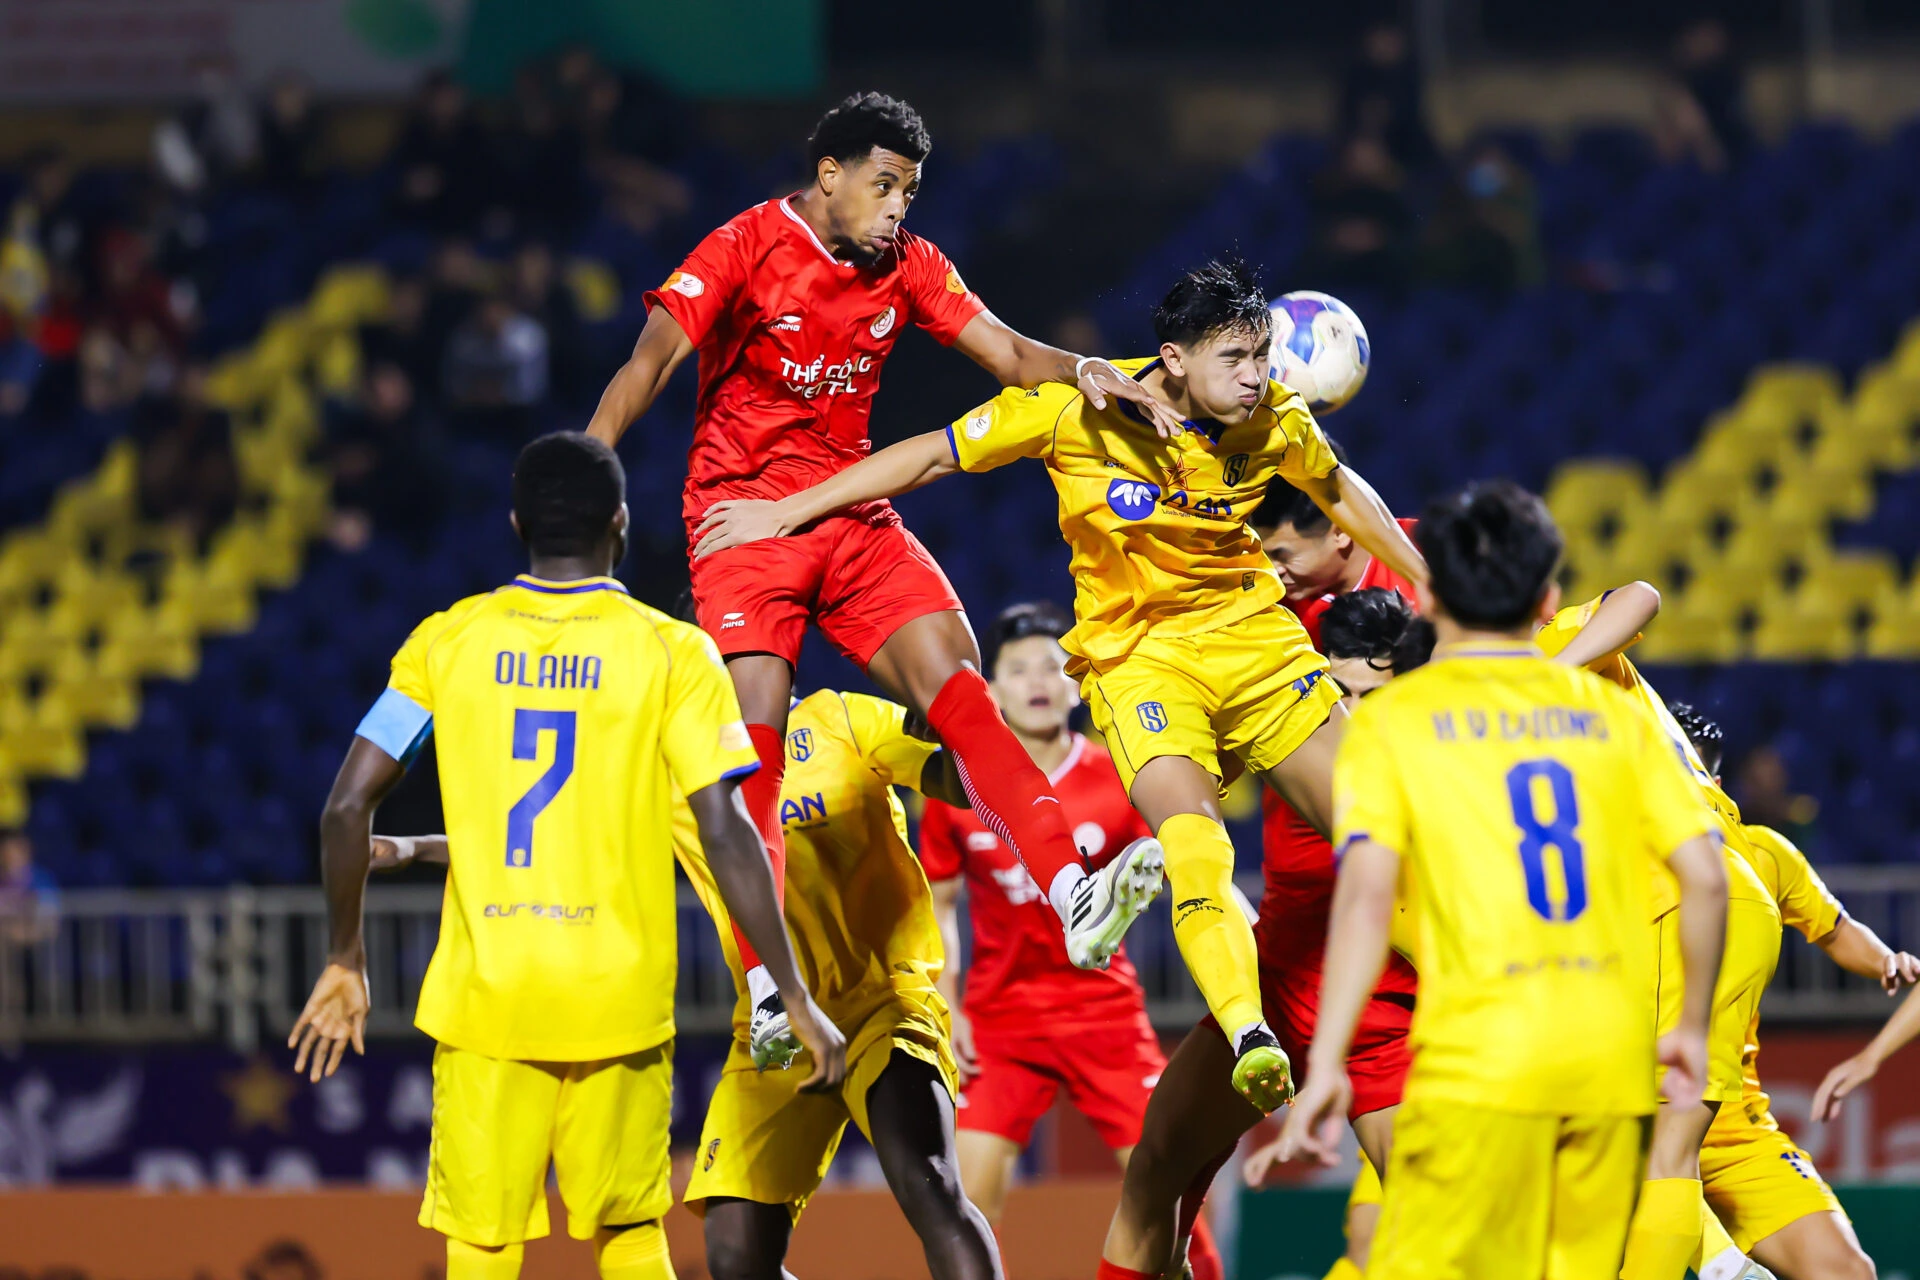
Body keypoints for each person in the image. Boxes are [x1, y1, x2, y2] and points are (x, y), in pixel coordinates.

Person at [694, 259, 1426, 1165]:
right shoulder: (1077, 411)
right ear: (1173, 357)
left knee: (1378, 826)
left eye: (1264, 354)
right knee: (1195, 839)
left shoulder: (1275, 417)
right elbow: (928, 455)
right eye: (1237, 356)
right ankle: (1250, 1037)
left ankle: (1489, 980)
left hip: (1257, 646)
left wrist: (1436, 588)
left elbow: (1341, 490)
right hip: (1139, 665)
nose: (1257, 373)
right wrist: (786, 511)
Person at [584, 93, 1189, 1058]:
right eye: (885, 183)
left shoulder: (909, 264)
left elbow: (1006, 353)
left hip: (852, 514)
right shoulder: (743, 245)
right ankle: (769, 985)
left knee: (963, 690)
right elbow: (649, 363)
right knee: (754, 749)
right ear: (829, 174)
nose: (900, 206)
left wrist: (1086, 369)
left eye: (909, 189)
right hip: (745, 523)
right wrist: (588, 466)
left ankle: (1071, 893)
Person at [284, 432, 846, 1280]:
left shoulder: (448, 640)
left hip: (487, 997)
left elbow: (345, 806)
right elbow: (727, 829)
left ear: (517, 524)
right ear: (619, 522)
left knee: (481, 1241)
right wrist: (790, 991)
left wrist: (343, 957)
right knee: (627, 1234)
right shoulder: (672, 653)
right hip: (615, 993)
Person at [368, 673, 1003, 1280]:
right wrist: (418, 848)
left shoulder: (843, 716)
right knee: (735, 1256)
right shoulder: (674, 772)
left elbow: (956, 781)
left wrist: (954, 738)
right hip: (773, 1028)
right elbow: (559, 840)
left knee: (930, 1183)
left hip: (883, 1003)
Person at [1278, 481, 1729, 1280]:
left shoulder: (1395, 722)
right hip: (1607, 1048)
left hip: (1480, 1048)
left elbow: (1366, 899)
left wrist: (1326, 1064)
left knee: (1412, 1258)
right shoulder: (1612, 715)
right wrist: (1689, 1024)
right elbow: (1705, 877)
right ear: (1548, 596)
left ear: (1433, 599)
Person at [918, 601, 1222, 1280]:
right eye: (1018, 667)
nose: (1038, 680)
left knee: (1169, 1196)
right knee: (961, 1205)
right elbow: (939, 905)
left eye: (1054, 666)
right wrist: (950, 1006)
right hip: (999, 1026)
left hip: (1105, 1019)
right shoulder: (953, 790)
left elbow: (1172, 873)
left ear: (1077, 685)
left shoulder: (1120, 775)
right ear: (988, 689)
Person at [1531, 586, 1806, 1280]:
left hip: (1682, 898)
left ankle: (1720, 1267)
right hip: (1702, 897)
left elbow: (1640, 595)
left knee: (1656, 1140)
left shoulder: (1545, 648)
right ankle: (1721, 1266)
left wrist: (1553, 673)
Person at [1667, 703, 1916, 1280]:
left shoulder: (1764, 855)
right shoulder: (1607, 858)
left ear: (1717, 785)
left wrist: (1887, 961)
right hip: (1629, 1114)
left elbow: (1839, 930)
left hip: (1731, 1123)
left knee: (1850, 1273)